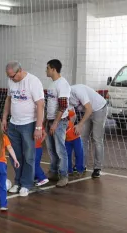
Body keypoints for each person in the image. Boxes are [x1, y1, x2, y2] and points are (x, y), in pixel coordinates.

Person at [2, 61, 45, 197]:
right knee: (15, 155)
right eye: (9, 77)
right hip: (14, 124)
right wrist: (4, 118)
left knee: (28, 156)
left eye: (13, 76)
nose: (11, 79)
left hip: (29, 124)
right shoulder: (11, 81)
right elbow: (8, 99)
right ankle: (18, 181)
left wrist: (38, 127)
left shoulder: (33, 81)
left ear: (20, 70)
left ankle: (26, 184)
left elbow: (40, 105)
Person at [69, 84, 108, 178]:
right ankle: (81, 165)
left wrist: (80, 124)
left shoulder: (77, 90)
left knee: (97, 139)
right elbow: (72, 115)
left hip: (99, 109)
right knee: (82, 137)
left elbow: (89, 109)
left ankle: (97, 168)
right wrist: (70, 128)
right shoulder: (65, 97)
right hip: (87, 112)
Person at [45, 59, 71, 188]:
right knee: (51, 149)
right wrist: (47, 121)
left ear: (53, 69)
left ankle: (63, 175)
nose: (46, 70)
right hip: (50, 121)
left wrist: (55, 123)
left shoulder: (62, 84)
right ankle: (54, 172)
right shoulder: (52, 84)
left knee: (60, 150)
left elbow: (63, 106)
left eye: (48, 68)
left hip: (59, 122)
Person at [65, 107, 85, 177]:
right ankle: (69, 170)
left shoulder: (69, 110)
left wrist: (76, 124)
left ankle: (80, 170)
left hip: (76, 137)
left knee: (79, 153)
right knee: (67, 155)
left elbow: (74, 116)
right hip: (66, 140)